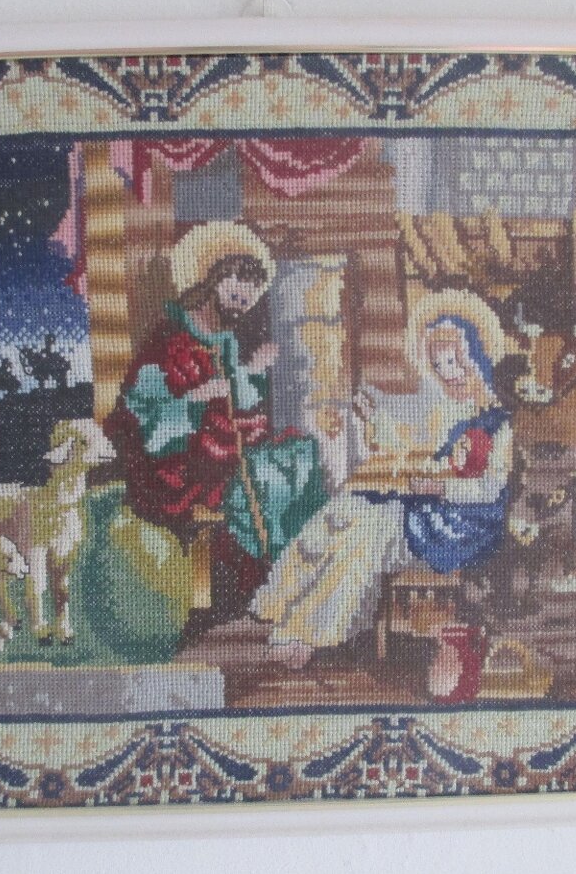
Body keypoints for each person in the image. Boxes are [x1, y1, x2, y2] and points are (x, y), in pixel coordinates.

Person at [249, 289, 515, 701]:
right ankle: (283, 602)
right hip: (429, 506)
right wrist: (374, 418)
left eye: (454, 362)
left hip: (465, 523)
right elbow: (412, 446)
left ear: (475, 358)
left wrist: (441, 486)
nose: (448, 373)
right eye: (439, 365)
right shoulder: (447, 409)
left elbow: (490, 489)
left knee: (370, 525)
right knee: (348, 507)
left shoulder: (497, 422)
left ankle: (314, 631)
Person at [104, 222, 327, 609]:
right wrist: (196, 397)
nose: (245, 295)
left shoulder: (223, 341)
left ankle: (302, 577)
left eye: (253, 288)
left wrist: (252, 371)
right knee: (270, 479)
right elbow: (143, 416)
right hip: (179, 465)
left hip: (221, 452)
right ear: (211, 277)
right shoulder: (170, 339)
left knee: (301, 455)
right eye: (237, 281)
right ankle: (278, 583)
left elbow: (238, 402)